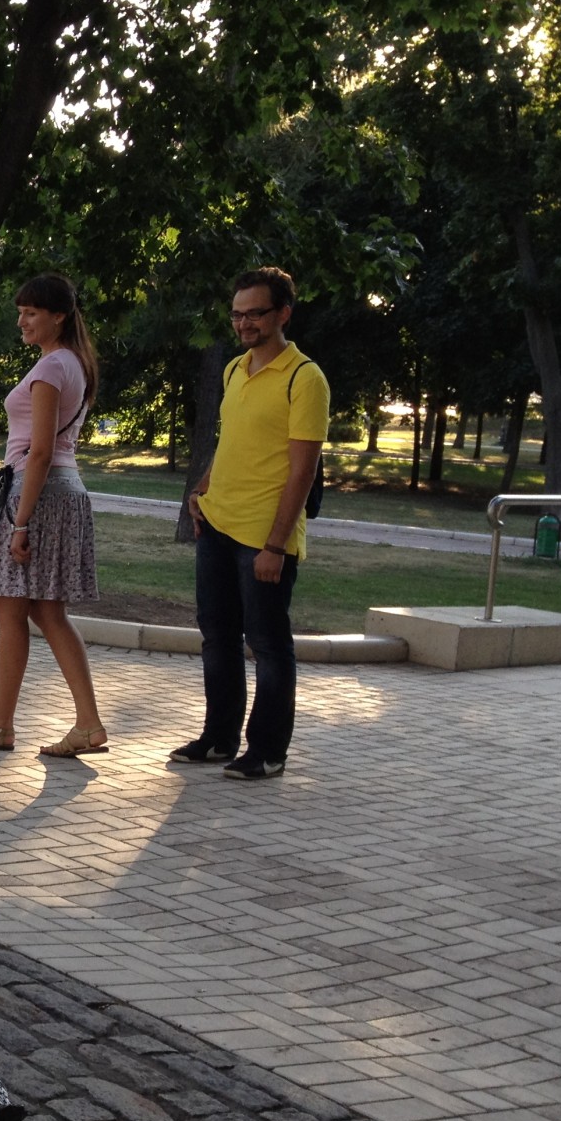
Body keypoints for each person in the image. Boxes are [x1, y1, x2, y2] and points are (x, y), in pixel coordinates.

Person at [0, 273, 107, 759]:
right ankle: (87, 723)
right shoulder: (72, 363)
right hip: (62, 490)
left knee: (11, 607)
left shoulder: (53, 367)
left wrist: (20, 522)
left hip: (39, 493)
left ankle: (0, 726)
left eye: (32, 312)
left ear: (59, 315)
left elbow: (38, 452)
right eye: (21, 312)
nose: (22, 321)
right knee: (44, 610)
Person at [174, 266, 328, 780]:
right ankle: (219, 738)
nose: (244, 323)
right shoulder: (235, 369)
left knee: (267, 644)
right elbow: (233, 441)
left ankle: (267, 751)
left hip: (265, 538)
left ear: (282, 313)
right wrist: (203, 487)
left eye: (255, 313)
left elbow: (303, 471)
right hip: (218, 525)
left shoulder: (306, 379)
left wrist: (276, 546)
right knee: (216, 636)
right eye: (237, 314)